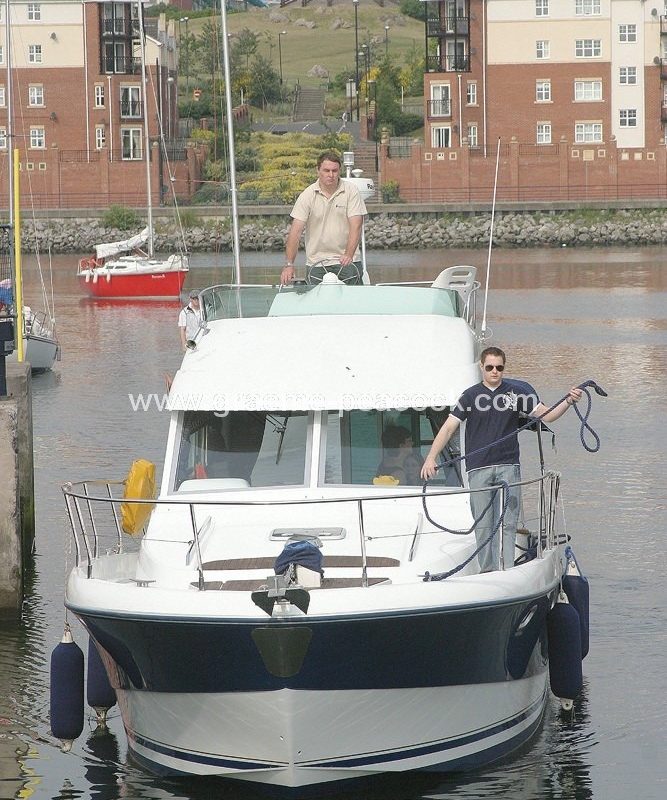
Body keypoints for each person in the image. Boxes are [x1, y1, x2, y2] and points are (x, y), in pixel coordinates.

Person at [421, 346, 582, 573]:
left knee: (508, 523)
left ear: (504, 368)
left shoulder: (517, 394)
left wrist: (568, 400)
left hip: (509, 467)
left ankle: (506, 571)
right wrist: (431, 458)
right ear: (482, 367)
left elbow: (549, 415)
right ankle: (487, 571)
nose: (494, 372)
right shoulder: (469, 396)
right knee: (484, 525)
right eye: (490, 367)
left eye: (499, 368)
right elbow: (448, 428)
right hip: (478, 468)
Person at [280, 151, 367, 286]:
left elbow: (356, 225)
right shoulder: (307, 195)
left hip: (348, 261)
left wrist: (348, 254)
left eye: (334, 171)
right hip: (316, 263)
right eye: (326, 170)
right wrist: (289, 264)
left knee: (354, 303)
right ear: (318, 170)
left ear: (339, 171)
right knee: (315, 304)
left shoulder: (351, 191)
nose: (331, 175)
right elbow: (295, 231)